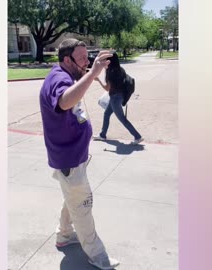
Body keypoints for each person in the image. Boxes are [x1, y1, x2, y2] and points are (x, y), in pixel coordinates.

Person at [39, 38, 120, 270]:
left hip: (73, 157)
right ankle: (97, 255)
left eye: (88, 56)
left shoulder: (67, 75)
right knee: (83, 206)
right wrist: (93, 72)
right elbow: (64, 102)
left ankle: (64, 235)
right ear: (67, 60)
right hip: (69, 159)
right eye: (82, 58)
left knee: (72, 199)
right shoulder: (59, 79)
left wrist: (91, 72)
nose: (87, 61)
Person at [94, 52, 144, 144]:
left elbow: (107, 88)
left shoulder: (110, 72)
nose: (105, 61)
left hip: (114, 98)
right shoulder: (120, 69)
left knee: (122, 119)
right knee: (106, 114)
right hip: (120, 96)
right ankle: (102, 135)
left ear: (110, 61)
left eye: (106, 59)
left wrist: (98, 80)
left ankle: (137, 136)